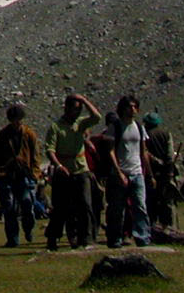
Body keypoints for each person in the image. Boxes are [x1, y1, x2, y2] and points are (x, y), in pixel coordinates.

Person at [44, 93, 101, 251]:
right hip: (63, 170)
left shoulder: (81, 124)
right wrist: (58, 165)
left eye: (79, 109)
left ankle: (85, 239)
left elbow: (97, 117)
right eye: (74, 109)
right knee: (61, 207)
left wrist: (84, 100)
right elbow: (50, 149)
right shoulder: (56, 127)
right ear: (66, 108)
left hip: (81, 169)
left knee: (85, 204)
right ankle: (53, 237)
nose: (77, 112)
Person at [103, 95, 152, 248]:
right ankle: (115, 238)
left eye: (134, 107)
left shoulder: (138, 127)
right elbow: (110, 150)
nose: (132, 110)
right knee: (117, 208)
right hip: (120, 172)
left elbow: (143, 150)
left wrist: (148, 172)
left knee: (140, 206)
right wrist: (118, 171)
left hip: (137, 172)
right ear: (122, 108)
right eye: (129, 106)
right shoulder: (115, 127)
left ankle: (142, 237)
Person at [0, 103, 40, 247]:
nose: (16, 123)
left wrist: (35, 173)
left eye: (18, 120)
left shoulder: (29, 134)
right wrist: (0, 172)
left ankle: (28, 228)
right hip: (7, 175)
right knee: (9, 207)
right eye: (13, 120)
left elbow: (35, 155)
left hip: (25, 174)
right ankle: (13, 239)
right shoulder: (2, 135)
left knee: (27, 203)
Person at [143, 112, 179, 231]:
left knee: (151, 201)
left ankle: (151, 226)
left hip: (150, 172)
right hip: (165, 172)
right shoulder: (166, 134)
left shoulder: (145, 135)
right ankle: (169, 226)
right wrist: (169, 170)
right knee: (166, 201)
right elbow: (170, 155)